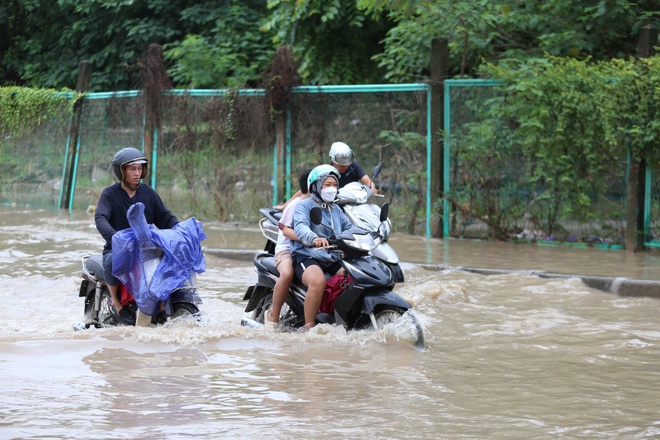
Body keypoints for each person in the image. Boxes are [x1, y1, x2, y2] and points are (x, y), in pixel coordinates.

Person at [94, 147, 179, 325]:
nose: (137, 173)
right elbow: (101, 218)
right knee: (111, 261)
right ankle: (116, 303)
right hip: (118, 248)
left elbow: (165, 217)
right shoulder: (109, 195)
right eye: (132, 169)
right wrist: (115, 238)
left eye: (140, 169)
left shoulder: (148, 193)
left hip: (147, 249)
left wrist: (181, 230)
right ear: (121, 171)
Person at [290, 164, 356, 330]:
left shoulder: (336, 209)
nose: (331, 189)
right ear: (316, 186)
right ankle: (309, 326)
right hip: (307, 255)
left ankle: (342, 317)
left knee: (354, 277)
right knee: (318, 282)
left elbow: (349, 227)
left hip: (332, 255)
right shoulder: (303, 206)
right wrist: (314, 238)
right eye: (327, 185)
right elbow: (301, 226)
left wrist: (367, 234)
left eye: (334, 185)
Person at [264, 169, 311, 331]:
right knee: (287, 273)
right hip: (287, 250)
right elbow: (285, 230)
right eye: (325, 184)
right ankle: (273, 315)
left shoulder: (324, 205)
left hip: (309, 251)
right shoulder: (296, 205)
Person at [274, 141, 377, 210]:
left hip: (353, 205)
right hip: (331, 206)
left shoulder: (354, 166)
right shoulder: (325, 172)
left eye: (346, 165)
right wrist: (285, 206)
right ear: (332, 160)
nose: (344, 167)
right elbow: (305, 191)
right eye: (340, 165)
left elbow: (367, 181)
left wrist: (371, 188)